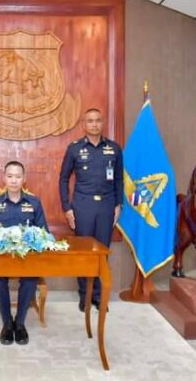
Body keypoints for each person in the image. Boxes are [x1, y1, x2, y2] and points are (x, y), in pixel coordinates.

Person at [59, 108, 123, 312]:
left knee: (102, 253)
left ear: (102, 123)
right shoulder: (74, 149)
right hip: (83, 205)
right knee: (84, 253)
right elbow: (63, 179)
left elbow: (119, 179)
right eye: (90, 121)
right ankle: (84, 296)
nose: (94, 124)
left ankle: (98, 296)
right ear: (84, 125)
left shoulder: (114, 148)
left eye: (97, 120)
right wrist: (67, 208)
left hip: (106, 205)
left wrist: (118, 204)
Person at [0, 160, 48, 346]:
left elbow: (44, 233)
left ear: (24, 179)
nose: (14, 180)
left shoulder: (34, 202)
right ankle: (7, 323)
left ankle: (20, 322)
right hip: (1, 258)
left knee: (30, 277)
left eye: (18, 176)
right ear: (4, 178)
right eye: (10, 176)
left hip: (27, 258)